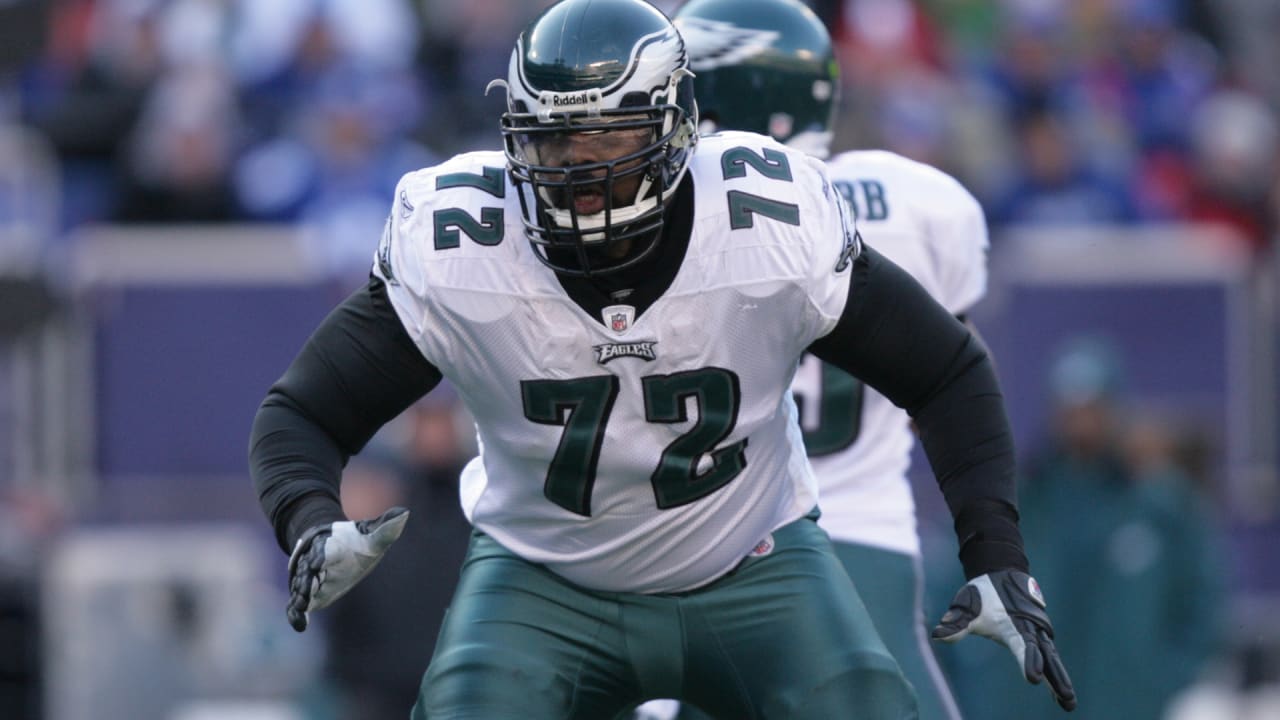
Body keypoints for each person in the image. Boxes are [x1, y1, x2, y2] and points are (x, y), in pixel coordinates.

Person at [248, 1, 1075, 717]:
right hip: (544, 580)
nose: (582, 170)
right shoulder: (466, 242)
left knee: (864, 701)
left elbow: (945, 371)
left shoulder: (766, 223)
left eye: (607, 135)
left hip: (752, 565)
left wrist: (996, 554)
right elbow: (304, 410)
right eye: (554, 143)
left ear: (679, 125)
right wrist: (308, 519)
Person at [669, 1, 993, 718]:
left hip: (697, 553)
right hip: (864, 555)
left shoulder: (666, 212)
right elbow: (952, 378)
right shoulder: (920, 204)